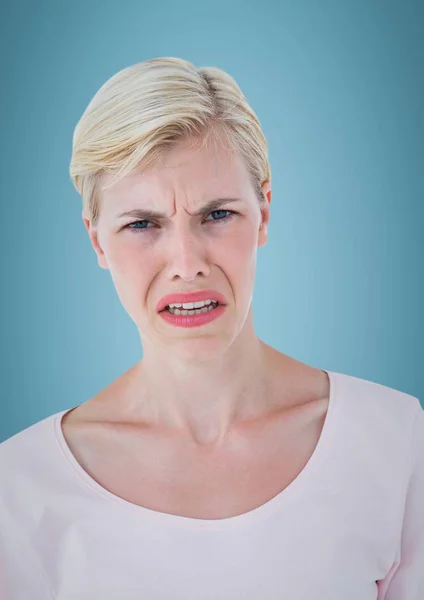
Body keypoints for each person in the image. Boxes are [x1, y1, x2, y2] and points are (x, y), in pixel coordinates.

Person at [0, 57, 423, 599]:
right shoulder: (21, 487)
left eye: (217, 215)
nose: (186, 261)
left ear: (264, 212)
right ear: (97, 241)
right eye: (142, 224)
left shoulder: (393, 440)